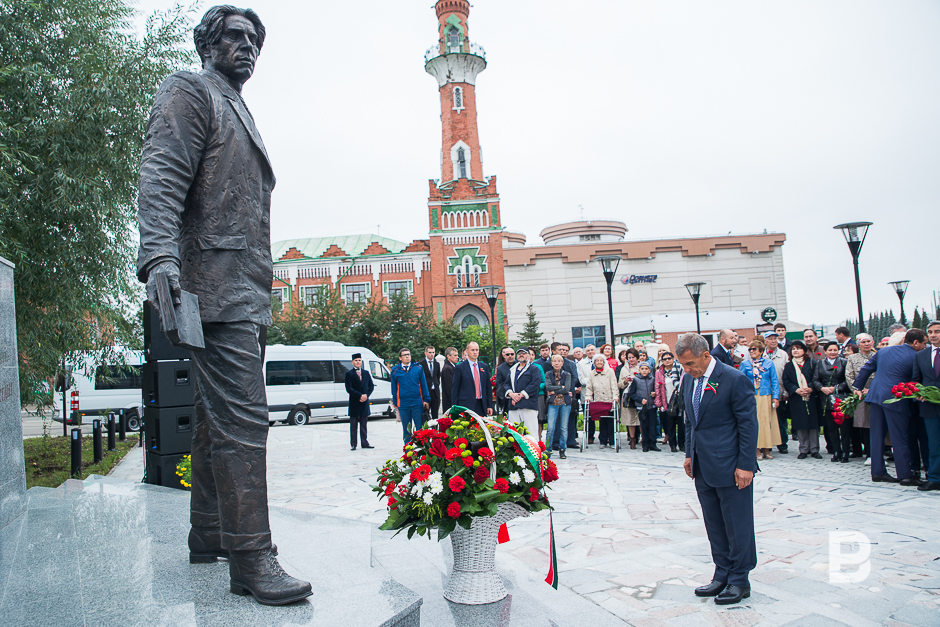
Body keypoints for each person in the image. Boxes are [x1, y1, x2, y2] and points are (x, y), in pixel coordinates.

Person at [136, 5, 310, 604]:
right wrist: (159, 259)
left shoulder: (237, 105)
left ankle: (208, 531)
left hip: (243, 288)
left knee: (216, 419)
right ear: (207, 44)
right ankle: (252, 557)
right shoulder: (190, 92)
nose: (248, 47)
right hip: (210, 287)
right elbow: (160, 177)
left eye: (255, 40)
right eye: (235, 36)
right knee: (244, 420)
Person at [678, 333, 758, 606]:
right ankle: (722, 572)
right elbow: (691, 421)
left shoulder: (734, 379)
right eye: (683, 365)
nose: (687, 370)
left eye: (690, 364)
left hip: (731, 465)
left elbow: (748, 425)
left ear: (705, 355)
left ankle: (739, 579)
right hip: (702, 464)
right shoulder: (690, 379)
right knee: (714, 523)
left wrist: (745, 465)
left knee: (737, 524)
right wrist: (689, 454)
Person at [852, 329, 928, 485]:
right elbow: (916, 379)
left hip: (876, 396)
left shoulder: (884, 351)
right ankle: (905, 475)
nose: (925, 346)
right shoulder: (916, 356)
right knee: (899, 436)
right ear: (915, 342)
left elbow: (866, 368)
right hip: (896, 398)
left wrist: (858, 387)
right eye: (924, 343)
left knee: (876, 436)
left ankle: (877, 472)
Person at [740, 339, 780, 460]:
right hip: (752, 396)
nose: (752, 351)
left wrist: (775, 397)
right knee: (755, 422)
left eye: (754, 349)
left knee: (766, 422)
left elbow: (774, 380)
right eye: (750, 349)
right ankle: (756, 449)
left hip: (765, 395)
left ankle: (767, 449)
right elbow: (741, 381)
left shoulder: (768, 363)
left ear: (761, 351)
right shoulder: (745, 364)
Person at [912, 320, 940, 491]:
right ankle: (935, 478)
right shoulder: (921, 355)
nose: (933, 335)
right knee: (934, 444)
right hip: (929, 407)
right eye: (930, 332)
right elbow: (916, 380)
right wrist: (918, 394)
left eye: (937, 331)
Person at [782, 340, 821, 459]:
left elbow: (817, 377)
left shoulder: (812, 363)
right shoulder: (789, 365)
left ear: (804, 350)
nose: (796, 351)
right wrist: (796, 389)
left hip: (811, 397)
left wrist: (810, 388)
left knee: (813, 424)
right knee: (800, 423)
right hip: (796, 398)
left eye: (798, 348)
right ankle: (803, 449)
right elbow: (786, 381)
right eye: (793, 349)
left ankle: (814, 449)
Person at [814, 341, 851, 463]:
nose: (833, 352)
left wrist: (836, 388)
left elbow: (848, 379)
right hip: (826, 399)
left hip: (841, 398)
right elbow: (815, 380)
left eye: (835, 350)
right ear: (825, 351)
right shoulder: (820, 363)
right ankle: (836, 451)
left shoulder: (844, 362)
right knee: (831, 428)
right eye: (830, 350)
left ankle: (845, 452)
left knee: (845, 428)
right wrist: (822, 388)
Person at [844, 333, 875, 459]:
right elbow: (849, 376)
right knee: (864, 424)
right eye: (863, 342)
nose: (866, 344)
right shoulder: (853, 358)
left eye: (868, 341)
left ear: (873, 342)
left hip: (876, 392)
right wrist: (857, 390)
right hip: (860, 394)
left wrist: (873, 390)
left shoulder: (878, 356)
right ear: (858, 344)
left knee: (877, 424)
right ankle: (868, 453)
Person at [390, 348, 430, 443]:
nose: (407, 356)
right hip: (403, 404)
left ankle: (421, 448)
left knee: (419, 429)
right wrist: (395, 403)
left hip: (417, 403)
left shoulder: (418, 368)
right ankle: (408, 449)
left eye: (409, 354)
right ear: (400, 358)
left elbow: (424, 385)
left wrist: (426, 399)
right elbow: (394, 388)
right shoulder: (395, 370)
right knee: (406, 429)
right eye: (405, 355)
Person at [499, 348, 541, 436]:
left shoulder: (534, 369)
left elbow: (535, 384)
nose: (521, 355)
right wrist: (511, 394)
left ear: (529, 355)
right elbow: (506, 384)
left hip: (528, 406)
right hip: (513, 406)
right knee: (514, 433)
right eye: (519, 353)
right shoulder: (513, 369)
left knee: (531, 432)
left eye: (524, 353)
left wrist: (521, 395)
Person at [763, 331, 790, 454]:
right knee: (766, 419)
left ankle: (782, 443)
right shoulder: (761, 354)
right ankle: (767, 444)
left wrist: (785, 391)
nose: (773, 341)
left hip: (780, 392)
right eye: (770, 339)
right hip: (764, 393)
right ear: (765, 341)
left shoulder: (783, 354)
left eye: (775, 338)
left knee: (780, 420)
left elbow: (787, 374)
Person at [584, 355, 619, 448]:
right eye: (597, 361)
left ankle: (612, 441)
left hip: (609, 400)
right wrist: (588, 397)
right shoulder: (592, 374)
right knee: (602, 421)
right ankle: (603, 441)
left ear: (604, 362)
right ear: (594, 363)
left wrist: (615, 397)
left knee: (610, 421)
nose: (599, 362)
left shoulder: (610, 371)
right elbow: (589, 387)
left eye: (601, 361)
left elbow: (614, 385)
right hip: (599, 400)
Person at [544, 355, 574, 459]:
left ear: (562, 363)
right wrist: (561, 387)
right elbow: (548, 387)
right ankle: (548, 449)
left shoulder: (567, 374)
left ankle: (562, 449)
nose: (556, 363)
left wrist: (554, 391)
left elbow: (567, 389)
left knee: (563, 427)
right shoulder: (548, 374)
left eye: (559, 361)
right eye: (554, 361)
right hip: (553, 403)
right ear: (551, 363)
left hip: (565, 402)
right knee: (550, 428)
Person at [451, 341, 493, 416]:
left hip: (481, 405)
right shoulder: (460, 367)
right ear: (467, 351)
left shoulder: (484, 366)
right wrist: (455, 408)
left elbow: (488, 387)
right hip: (466, 406)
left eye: (477, 350)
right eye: (472, 350)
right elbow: (455, 389)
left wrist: (489, 405)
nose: (475, 352)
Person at [654, 351, 684, 452]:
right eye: (665, 359)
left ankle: (682, 444)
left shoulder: (679, 369)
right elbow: (657, 388)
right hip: (666, 400)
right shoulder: (659, 372)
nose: (667, 361)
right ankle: (672, 445)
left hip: (678, 400)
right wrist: (659, 402)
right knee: (670, 425)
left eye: (669, 358)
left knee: (681, 424)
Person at [344, 353, 375, 451]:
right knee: (353, 426)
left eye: (359, 360)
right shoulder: (349, 374)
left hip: (364, 403)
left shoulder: (366, 373)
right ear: (352, 362)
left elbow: (371, 386)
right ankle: (353, 444)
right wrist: (359, 396)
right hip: (354, 403)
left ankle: (364, 443)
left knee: (364, 425)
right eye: (356, 360)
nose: (358, 362)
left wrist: (366, 395)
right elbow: (349, 388)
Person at [627, 362, 660, 452]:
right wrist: (640, 399)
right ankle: (645, 445)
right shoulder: (636, 380)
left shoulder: (652, 379)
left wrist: (654, 393)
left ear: (649, 370)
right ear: (639, 370)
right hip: (641, 407)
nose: (644, 371)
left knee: (652, 425)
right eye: (642, 369)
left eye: (646, 369)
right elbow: (632, 394)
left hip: (651, 406)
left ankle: (653, 444)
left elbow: (656, 390)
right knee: (644, 426)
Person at [617, 348, 642, 448]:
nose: (631, 360)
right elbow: (620, 384)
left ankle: (643, 438)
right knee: (630, 418)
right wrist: (625, 381)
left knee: (641, 417)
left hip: (640, 393)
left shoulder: (642, 366)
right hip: (628, 395)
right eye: (629, 358)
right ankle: (632, 439)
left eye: (633, 357)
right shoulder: (624, 369)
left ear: (637, 357)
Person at [419, 346, 442, 421]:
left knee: (435, 415)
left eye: (433, 352)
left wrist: (436, 385)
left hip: (435, 392)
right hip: (426, 392)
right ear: (425, 353)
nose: (432, 354)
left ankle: (435, 428)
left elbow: (437, 377)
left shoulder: (437, 364)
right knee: (425, 415)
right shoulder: (421, 364)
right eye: (430, 352)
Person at [493, 346, 516, 416]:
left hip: (519, 398)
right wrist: (509, 394)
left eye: (512, 354)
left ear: (515, 355)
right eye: (507, 354)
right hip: (507, 400)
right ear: (504, 356)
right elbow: (499, 384)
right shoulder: (500, 368)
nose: (510, 356)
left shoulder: (519, 365)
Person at [440, 347, 459, 413]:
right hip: (450, 403)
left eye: (457, 355)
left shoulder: (452, 366)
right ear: (448, 356)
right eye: (455, 355)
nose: (457, 357)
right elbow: (450, 388)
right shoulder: (447, 368)